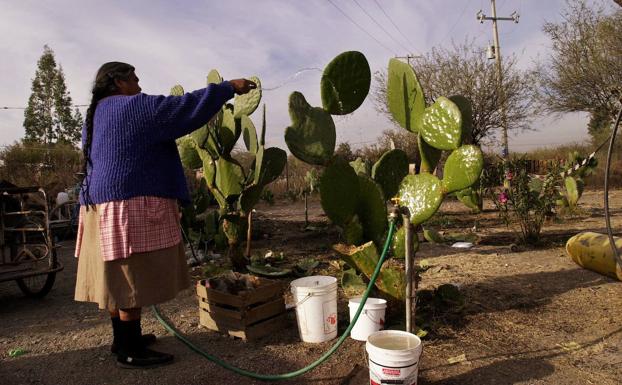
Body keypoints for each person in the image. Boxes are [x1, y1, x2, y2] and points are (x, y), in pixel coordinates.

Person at [74, 62, 255, 368]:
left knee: (115, 278)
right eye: (133, 77)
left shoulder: (95, 116)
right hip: (126, 204)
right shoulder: (134, 107)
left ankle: (123, 338)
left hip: (97, 205)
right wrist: (227, 88)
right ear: (118, 82)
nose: (139, 81)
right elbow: (182, 109)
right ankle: (131, 349)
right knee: (131, 276)